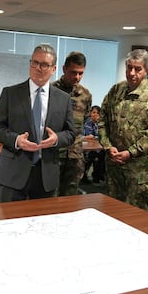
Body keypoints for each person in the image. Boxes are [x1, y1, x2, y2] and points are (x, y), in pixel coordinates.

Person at [0, 43, 76, 201]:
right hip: (14, 172)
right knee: (10, 222)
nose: (38, 68)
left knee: (43, 224)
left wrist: (56, 139)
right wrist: (16, 140)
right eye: (34, 63)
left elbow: (71, 133)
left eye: (44, 64)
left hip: (46, 174)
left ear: (54, 69)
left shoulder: (63, 99)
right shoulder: (10, 93)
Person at [98, 49, 148, 210]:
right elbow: (102, 120)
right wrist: (108, 146)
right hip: (113, 165)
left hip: (138, 170)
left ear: (146, 71)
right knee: (111, 211)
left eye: (138, 69)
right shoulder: (116, 91)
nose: (132, 73)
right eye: (129, 68)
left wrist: (130, 152)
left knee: (134, 216)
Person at [51, 51, 92, 196]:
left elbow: (85, 118)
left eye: (81, 73)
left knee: (70, 198)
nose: (77, 77)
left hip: (75, 155)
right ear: (64, 69)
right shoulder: (50, 90)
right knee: (50, 197)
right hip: (53, 153)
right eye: (73, 72)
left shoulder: (85, 95)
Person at [82, 105, 105, 184]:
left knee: (101, 154)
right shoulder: (86, 123)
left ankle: (98, 176)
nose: (95, 115)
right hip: (86, 147)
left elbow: (101, 135)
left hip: (98, 147)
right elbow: (80, 136)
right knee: (90, 155)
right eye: (94, 112)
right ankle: (84, 176)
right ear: (90, 113)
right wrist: (85, 137)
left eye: (98, 113)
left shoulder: (100, 123)